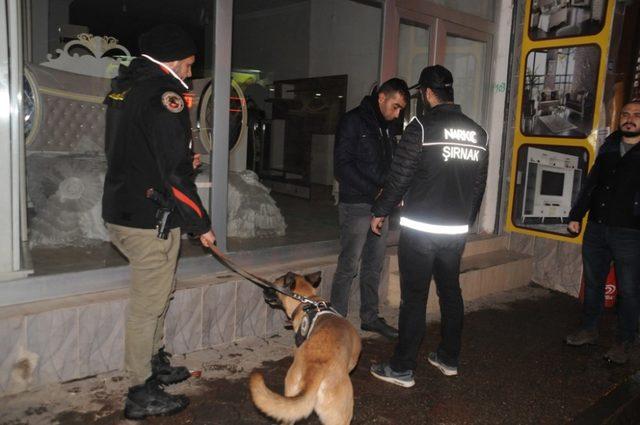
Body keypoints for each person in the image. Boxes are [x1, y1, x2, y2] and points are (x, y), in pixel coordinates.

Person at [102, 24, 216, 419]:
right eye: (187, 65)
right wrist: (201, 224)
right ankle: (139, 391)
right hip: (147, 217)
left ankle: (155, 363)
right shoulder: (165, 95)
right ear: (171, 61)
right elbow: (175, 176)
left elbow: (131, 148)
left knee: (159, 293)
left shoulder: (127, 87)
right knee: (148, 305)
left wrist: (179, 161)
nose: (189, 73)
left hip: (125, 208)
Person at [369, 65, 488, 387]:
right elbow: (478, 186)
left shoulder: (421, 127)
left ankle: (402, 368)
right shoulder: (478, 133)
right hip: (454, 232)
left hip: (421, 231)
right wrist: (465, 219)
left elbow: (400, 177)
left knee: (415, 298)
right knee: (451, 293)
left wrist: (380, 211)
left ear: (426, 93)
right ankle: (449, 357)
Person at [331, 78, 409, 340]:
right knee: (349, 263)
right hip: (356, 203)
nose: (397, 113)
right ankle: (335, 320)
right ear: (381, 98)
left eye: (401, 110)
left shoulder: (387, 127)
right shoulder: (353, 121)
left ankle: (370, 317)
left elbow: (389, 166)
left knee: (373, 264)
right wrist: (376, 191)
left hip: (380, 205)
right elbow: (342, 166)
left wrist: (392, 193)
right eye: (395, 107)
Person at [564, 101, 640, 364]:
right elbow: (592, 182)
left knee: (629, 290)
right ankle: (589, 329)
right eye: (626, 114)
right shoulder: (609, 145)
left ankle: (626, 341)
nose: (630, 119)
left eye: (637, 116)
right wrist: (576, 215)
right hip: (597, 227)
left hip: (630, 232)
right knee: (594, 282)